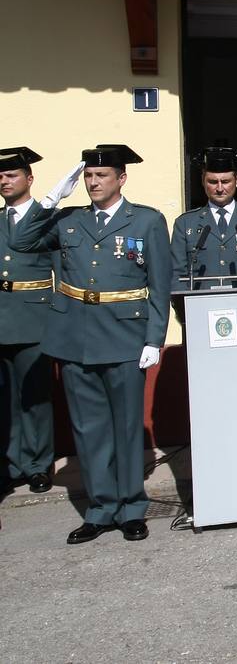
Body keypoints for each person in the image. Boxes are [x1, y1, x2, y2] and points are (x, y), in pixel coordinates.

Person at [12, 145, 170, 544]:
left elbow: (160, 285)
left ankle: (132, 507)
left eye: (102, 176)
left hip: (125, 338)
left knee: (128, 427)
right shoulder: (67, 219)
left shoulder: (147, 221)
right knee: (88, 429)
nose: (93, 183)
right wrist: (50, 199)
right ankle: (100, 510)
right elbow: (21, 240)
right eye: (88, 177)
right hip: (76, 339)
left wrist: (155, 337)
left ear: (121, 178)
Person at [169, 148, 237, 387]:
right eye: (213, 181)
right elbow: (176, 273)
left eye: (226, 181)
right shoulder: (186, 223)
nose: (220, 188)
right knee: (206, 385)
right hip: (201, 320)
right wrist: (183, 310)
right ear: (203, 181)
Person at [0, 147, 55, 494]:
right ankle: (12, 462)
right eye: (1, 177)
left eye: (12, 175)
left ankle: (38, 464)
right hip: (2, 316)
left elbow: (61, 270)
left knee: (35, 396)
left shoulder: (48, 218)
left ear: (29, 178)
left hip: (35, 314)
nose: (5, 181)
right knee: (6, 398)